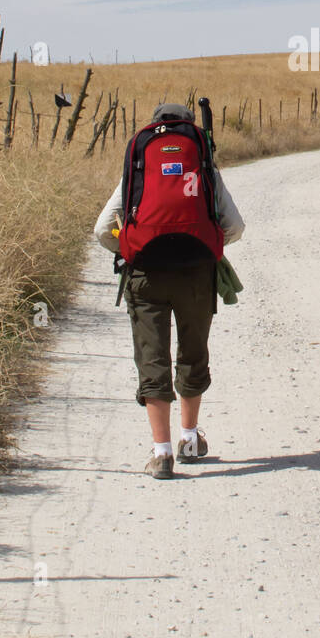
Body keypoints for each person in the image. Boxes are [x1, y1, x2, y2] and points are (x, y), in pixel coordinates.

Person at [94, 103, 245, 479]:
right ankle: (190, 439)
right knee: (192, 352)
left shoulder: (140, 160)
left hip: (145, 273)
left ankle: (161, 454)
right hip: (196, 273)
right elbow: (235, 226)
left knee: (152, 357)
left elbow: (101, 231)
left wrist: (130, 248)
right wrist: (205, 245)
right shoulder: (204, 162)